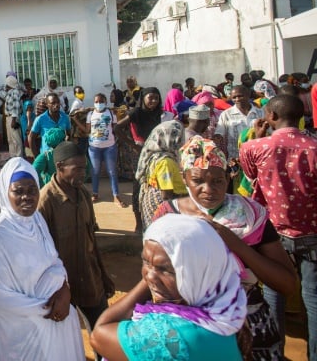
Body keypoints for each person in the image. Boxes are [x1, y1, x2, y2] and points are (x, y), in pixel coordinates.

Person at [152, 136, 298, 360]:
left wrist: (235, 243)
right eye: (198, 180)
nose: (208, 189)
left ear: (228, 178)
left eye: (217, 181)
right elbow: (154, 276)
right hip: (190, 326)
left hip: (249, 322)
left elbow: (287, 283)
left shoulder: (251, 215)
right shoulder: (168, 216)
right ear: (184, 179)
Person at [90, 214, 247, 361]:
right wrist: (156, 272)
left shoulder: (170, 337)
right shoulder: (229, 310)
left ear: (198, 273)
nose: (149, 276)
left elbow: (99, 334)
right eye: (145, 261)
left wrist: (148, 279)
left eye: (165, 269)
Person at [0, 157, 85, 361]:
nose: (26, 197)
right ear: (5, 191)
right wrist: (48, 308)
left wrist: (64, 291)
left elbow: (54, 260)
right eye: (18, 191)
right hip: (21, 331)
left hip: (54, 316)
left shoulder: (37, 220)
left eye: (32, 190)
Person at [239, 94, 317, 360]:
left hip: (273, 235)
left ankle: (276, 352)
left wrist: (254, 135)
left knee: (273, 293)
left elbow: (249, 175)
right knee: (313, 299)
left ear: (270, 116)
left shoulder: (256, 147)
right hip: (312, 233)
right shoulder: (314, 147)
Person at [38, 141, 114, 346]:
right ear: (60, 167)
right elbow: (39, 253)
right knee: (63, 343)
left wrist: (103, 274)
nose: (84, 173)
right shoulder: (45, 201)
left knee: (102, 335)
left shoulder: (84, 195)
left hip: (90, 279)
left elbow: (92, 238)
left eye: (84, 167)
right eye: (77, 169)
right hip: (60, 288)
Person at [115, 87, 165, 232]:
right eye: (151, 98)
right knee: (138, 188)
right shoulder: (136, 112)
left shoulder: (157, 113)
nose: (154, 101)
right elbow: (117, 128)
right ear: (143, 98)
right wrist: (133, 146)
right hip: (140, 154)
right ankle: (138, 223)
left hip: (155, 153)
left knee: (154, 187)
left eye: (156, 98)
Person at [135, 120, 187, 231]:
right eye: (179, 137)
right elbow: (166, 195)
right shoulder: (165, 162)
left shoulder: (155, 156)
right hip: (163, 208)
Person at [87, 93, 124, 207]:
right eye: (96, 102)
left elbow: (115, 128)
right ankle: (95, 193)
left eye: (101, 101)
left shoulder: (112, 114)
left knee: (112, 172)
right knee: (95, 172)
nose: (99, 104)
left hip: (110, 147)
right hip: (94, 148)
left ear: (106, 102)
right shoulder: (90, 114)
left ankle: (116, 195)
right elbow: (88, 130)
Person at [214, 85, 264, 160]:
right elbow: (219, 134)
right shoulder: (226, 114)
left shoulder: (260, 113)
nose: (237, 99)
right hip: (236, 159)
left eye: (240, 96)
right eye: (234, 97)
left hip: (258, 156)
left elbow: (269, 132)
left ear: (248, 95)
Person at [29, 93, 71, 158]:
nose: (56, 105)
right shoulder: (40, 119)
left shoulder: (65, 117)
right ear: (47, 105)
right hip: (46, 156)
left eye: (58, 102)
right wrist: (37, 157)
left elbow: (69, 134)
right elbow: (31, 138)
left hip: (62, 155)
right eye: (53, 103)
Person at [3, 76, 23, 158]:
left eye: (7, 83)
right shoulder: (9, 92)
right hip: (8, 117)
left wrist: (14, 120)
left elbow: (16, 106)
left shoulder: (15, 92)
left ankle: (19, 157)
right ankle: (12, 156)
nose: (6, 85)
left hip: (13, 117)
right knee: (10, 140)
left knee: (16, 139)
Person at [20, 78, 38, 155]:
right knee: (26, 134)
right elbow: (24, 102)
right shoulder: (23, 93)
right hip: (26, 112)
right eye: (26, 85)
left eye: (29, 84)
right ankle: (27, 151)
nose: (28, 86)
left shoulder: (36, 91)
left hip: (33, 112)